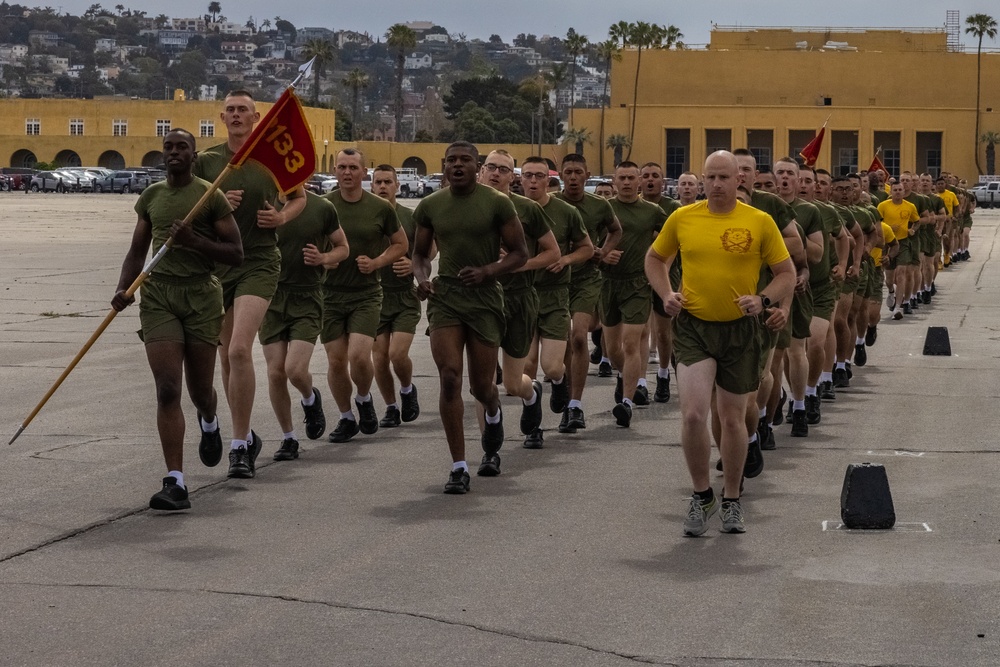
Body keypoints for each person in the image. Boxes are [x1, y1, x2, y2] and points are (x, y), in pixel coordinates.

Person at [645, 150, 795, 536]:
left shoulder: (759, 221)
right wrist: (666, 294)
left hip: (740, 330)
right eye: (709, 177)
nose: (715, 185)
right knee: (694, 414)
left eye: (723, 178)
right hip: (694, 326)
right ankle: (701, 495)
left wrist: (762, 300)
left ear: (739, 180)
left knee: (731, 419)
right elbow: (655, 259)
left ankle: (731, 498)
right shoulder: (683, 217)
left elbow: (786, 273)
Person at [112, 128, 243, 509]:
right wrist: (124, 289)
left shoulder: (210, 195)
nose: (173, 153)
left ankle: (209, 420)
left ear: (193, 154)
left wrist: (193, 242)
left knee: (200, 391)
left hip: (202, 296)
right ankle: (176, 482)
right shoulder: (151, 197)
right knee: (168, 388)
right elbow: (137, 252)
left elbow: (235, 253)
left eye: (181, 147)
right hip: (159, 297)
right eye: (168, 147)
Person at [192, 90, 307, 479]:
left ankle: (239, 446)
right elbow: (187, 209)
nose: (237, 115)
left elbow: (299, 198)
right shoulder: (207, 162)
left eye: (244, 109)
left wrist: (282, 218)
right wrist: (217, 198)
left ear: (257, 117)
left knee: (240, 350)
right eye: (231, 110)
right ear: (221, 118)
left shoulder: (271, 160)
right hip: (219, 264)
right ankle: (248, 433)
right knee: (225, 358)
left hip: (258, 261)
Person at [412, 141, 528, 493]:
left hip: (484, 299)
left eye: (466, 160)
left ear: (478, 168)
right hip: (446, 296)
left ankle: (492, 413)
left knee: (481, 387)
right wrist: (421, 280)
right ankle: (459, 466)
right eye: (452, 161)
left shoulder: (497, 203)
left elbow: (520, 254)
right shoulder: (431, 205)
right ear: (443, 166)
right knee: (449, 377)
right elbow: (419, 255)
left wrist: (488, 271)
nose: (458, 165)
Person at [322, 149, 408, 443]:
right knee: (335, 362)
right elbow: (310, 245)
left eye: (353, 168)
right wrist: (326, 259)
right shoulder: (324, 207)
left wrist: (377, 263)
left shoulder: (380, 208)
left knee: (359, 357)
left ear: (364, 173)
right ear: (335, 171)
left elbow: (400, 244)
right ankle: (346, 417)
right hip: (329, 295)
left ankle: (363, 398)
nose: (347, 173)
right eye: (342, 167)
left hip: (366, 294)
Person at [260, 191, 349, 461]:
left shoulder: (322, 207)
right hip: (271, 297)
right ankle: (289, 438)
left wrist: (323, 258)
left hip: (307, 297)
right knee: (276, 373)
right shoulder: (264, 203)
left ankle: (310, 398)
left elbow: (343, 247)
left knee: (295, 370)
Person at [519, 156, 594, 445]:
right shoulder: (509, 209)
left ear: (549, 180)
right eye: (528, 176)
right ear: (521, 179)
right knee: (526, 365)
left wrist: (565, 259)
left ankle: (561, 384)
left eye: (540, 176)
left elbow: (587, 248)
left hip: (554, 295)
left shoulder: (565, 212)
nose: (534, 181)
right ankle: (533, 428)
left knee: (551, 367)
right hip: (523, 295)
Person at [554, 154, 622, 433]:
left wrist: (603, 252)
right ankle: (562, 384)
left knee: (579, 336)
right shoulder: (550, 204)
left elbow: (615, 230)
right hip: (556, 279)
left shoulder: (599, 205)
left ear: (587, 174)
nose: (572, 177)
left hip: (586, 279)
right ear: (560, 174)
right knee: (561, 343)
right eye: (568, 172)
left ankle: (575, 405)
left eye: (577, 172)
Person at [603, 162, 668, 427]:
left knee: (631, 343)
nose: (627, 182)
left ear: (639, 181)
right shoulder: (604, 209)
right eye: (622, 178)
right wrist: (603, 253)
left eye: (632, 177)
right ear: (614, 181)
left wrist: (658, 263)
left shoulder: (652, 211)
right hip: (608, 283)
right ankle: (625, 376)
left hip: (638, 284)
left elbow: (672, 239)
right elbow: (587, 242)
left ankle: (626, 402)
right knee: (613, 349)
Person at [370, 165, 424, 428]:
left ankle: (406, 389)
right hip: (374, 298)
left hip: (404, 297)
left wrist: (414, 265)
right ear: (371, 186)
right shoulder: (365, 215)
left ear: (396, 186)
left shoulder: (410, 217)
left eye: (387, 182)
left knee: (397, 354)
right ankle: (391, 407)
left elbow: (429, 250)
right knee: (379, 358)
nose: (382, 186)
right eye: (378, 182)